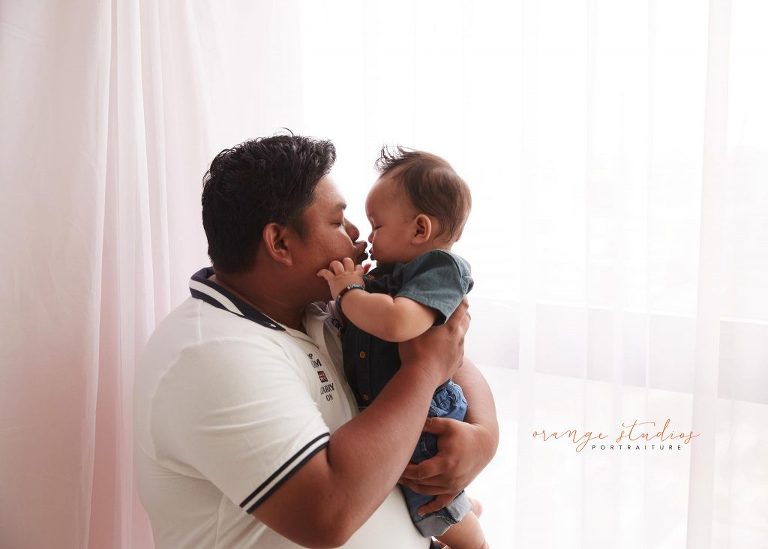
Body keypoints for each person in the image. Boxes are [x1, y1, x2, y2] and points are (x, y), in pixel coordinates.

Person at [133, 134, 499, 548]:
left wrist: (484, 438)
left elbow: (449, 348)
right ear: (281, 243)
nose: (358, 233)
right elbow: (326, 515)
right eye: (338, 221)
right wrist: (423, 371)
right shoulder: (213, 355)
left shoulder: (317, 307)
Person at [317, 147, 486, 549]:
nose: (367, 237)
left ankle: (474, 540)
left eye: (376, 226)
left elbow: (397, 323)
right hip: (397, 410)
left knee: (431, 502)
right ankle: (467, 507)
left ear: (419, 230)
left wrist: (349, 290)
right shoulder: (391, 275)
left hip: (426, 417)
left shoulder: (441, 270)